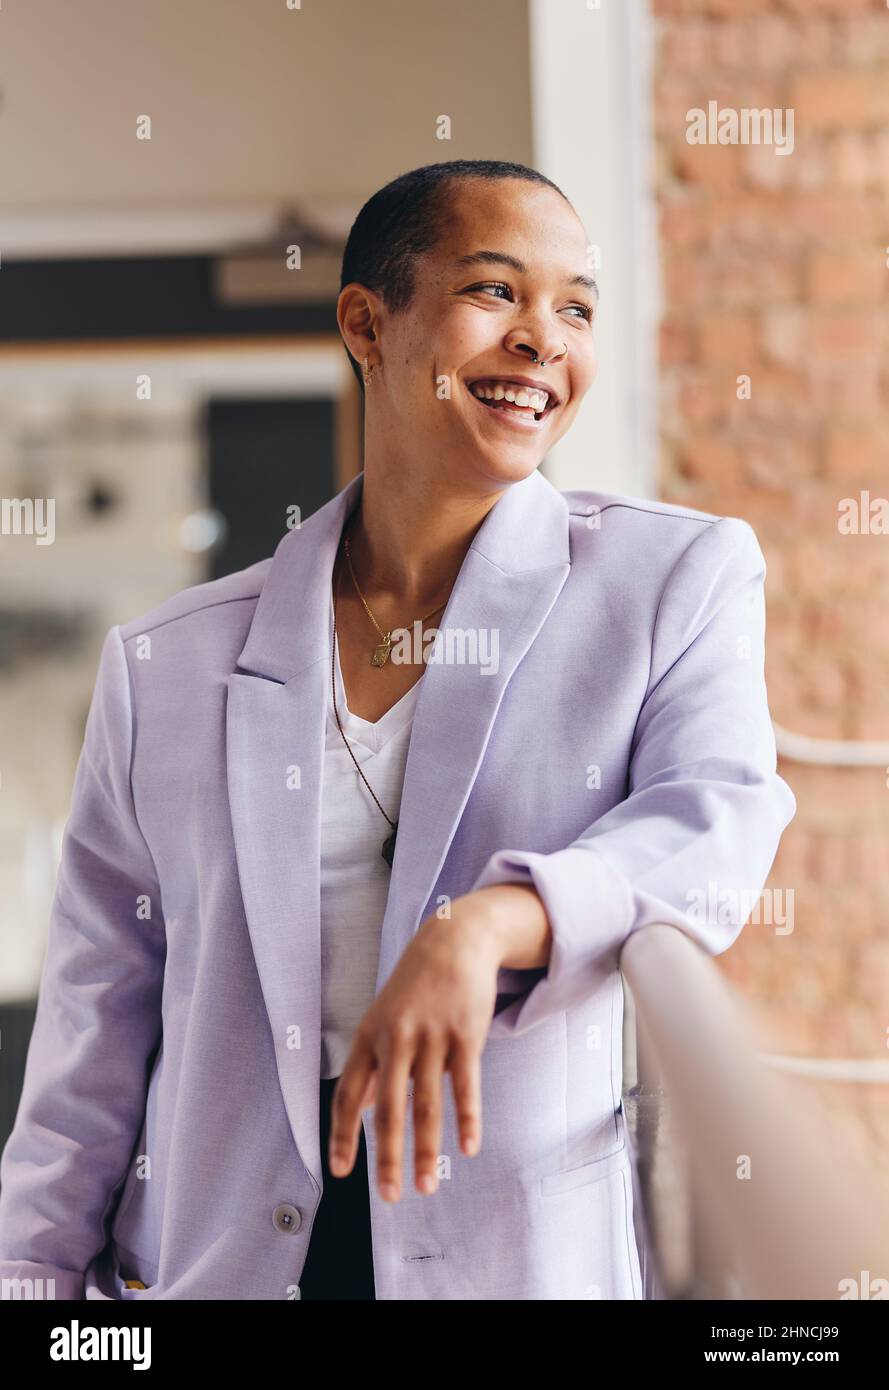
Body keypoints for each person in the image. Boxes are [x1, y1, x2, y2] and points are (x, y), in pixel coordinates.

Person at [0, 159, 796, 1301]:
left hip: (513, 1264)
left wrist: (489, 925)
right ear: (366, 324)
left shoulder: (672, 578)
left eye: (575, 306)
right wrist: (34, 1284)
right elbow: (92, 1033)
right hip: (212, 1267)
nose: (542, 339)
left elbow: (717, 826)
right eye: (495, 291)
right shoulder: (164, 666)